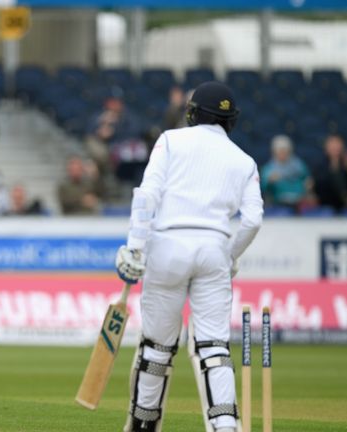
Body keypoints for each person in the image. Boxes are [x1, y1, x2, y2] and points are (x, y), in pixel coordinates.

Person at [115, 81, 263, 432]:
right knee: (214, 348)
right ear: (230, 120)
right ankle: (225, 426)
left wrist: (135, 246)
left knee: (156, 349)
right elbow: (253, 220)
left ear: (193, 112)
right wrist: (230, 255)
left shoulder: (170, 140)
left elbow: (147, 195)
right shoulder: (244, 161)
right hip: (214, 250)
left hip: (167, 248)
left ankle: (142, 425)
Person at [314, 134, 347, 212]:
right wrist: (335, 171)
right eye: (332, 145)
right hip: (329, 204)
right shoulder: (320, 165)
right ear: (326, 147)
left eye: (337, 144)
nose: (335, 148)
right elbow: (320, 189)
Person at [260, 134, 314, 211]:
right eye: (280, 150)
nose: (282, 153)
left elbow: (307, 180)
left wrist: (308, 185)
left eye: (285, 150)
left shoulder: (299, 165)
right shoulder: (268, 169)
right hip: (278, 203)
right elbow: (263, 188)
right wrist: (269, 181)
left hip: (299, 201)